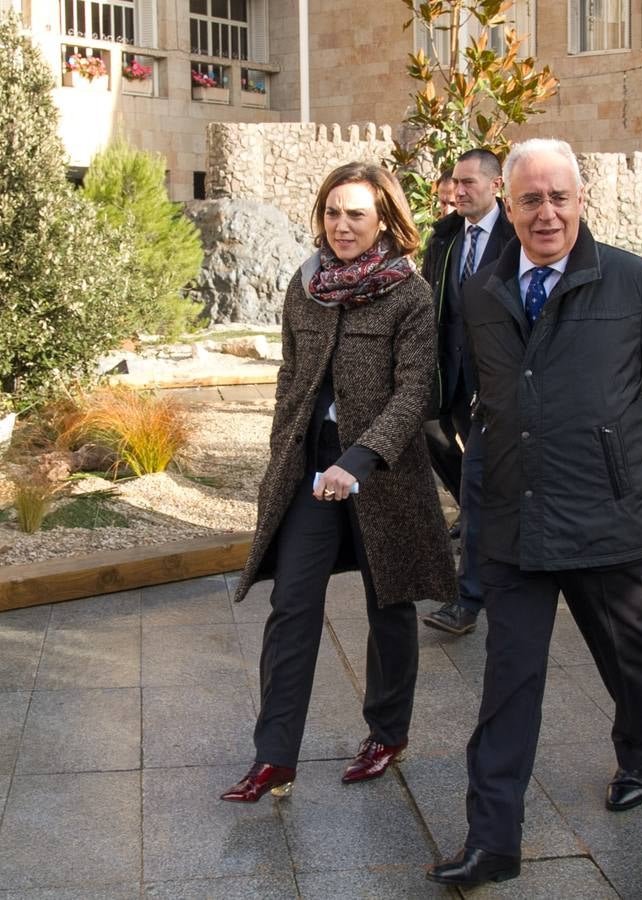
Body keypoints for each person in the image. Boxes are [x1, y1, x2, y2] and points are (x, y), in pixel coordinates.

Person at [427, 139, 642, 888]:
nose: (545, 213)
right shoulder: (483, 290)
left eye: (559, 197)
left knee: (627, 657)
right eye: (529, 200)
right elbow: (474, 387)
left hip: (605, 517)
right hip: (515, 518)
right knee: (507, 683)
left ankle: (639, 751)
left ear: (583, 201)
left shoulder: (638, 283)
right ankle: (493, 841)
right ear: (506, 206)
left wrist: (619, 452)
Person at [223, 163, 456, 803]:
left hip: (380, 469)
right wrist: (282, 453)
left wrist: (358, 460)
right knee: (292, 604)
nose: (342, 224)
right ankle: (275, 757)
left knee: (391, 600)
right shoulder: (307, 284)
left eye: (356, 213)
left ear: (384, 217)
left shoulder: (409, 292)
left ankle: (387, 732)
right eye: (332, 211)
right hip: (310, 462)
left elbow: (415, 393)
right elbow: (290, 375)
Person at [418, 148, 511, 636]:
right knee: (425, 432)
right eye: (455, 181)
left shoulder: (516, 240)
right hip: (445, 375)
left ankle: (467, 599)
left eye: (469, 182)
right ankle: (478, 513)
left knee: (479, 486)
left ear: (496, 186)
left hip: (492, 386)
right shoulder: (445, 237)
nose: (459, 189)